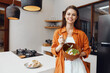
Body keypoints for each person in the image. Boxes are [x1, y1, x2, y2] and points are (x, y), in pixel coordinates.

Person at [51, 5, 91, 73]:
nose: (70, 17)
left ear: (76, 17)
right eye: (68, 14)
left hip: (77, 66)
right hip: (62, 65)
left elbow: (87, 50)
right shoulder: (58, 32)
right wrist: (60, 45)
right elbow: (53, 50)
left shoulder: (81, 34)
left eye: (73, 15)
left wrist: (77, 55)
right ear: (65, 15)